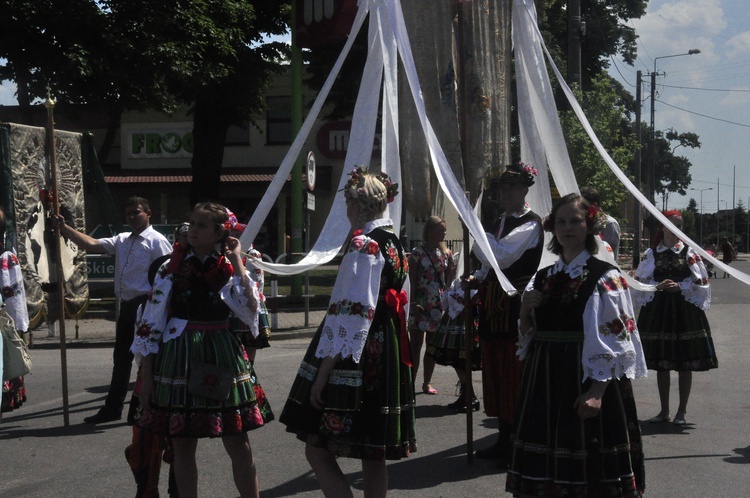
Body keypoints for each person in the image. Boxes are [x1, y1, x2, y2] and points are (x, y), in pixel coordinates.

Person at [279, 166, 414, 498]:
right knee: (373, 453)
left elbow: (351, 313)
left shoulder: (365, 244)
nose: (345, 209)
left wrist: (324, 373)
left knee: (318, 449)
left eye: (348, 202)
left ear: (359, 203)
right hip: (388, 344)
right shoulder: (395, 242)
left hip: (361, 350)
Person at [507, 193, 646, 497]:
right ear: (553, 228)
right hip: (544, 379)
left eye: (575, 220)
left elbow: (619, 338)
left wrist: (597, 392)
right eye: (561, 221)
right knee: (545, 468)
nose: (567, 227)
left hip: (583, 375)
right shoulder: (543, 277)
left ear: (589, 226)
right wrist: (524, 312)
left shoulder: (605, 276)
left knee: (587, 467)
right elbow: (528, 336)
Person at [132, 202, 273, 498]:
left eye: (201, 226)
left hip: (220, 349)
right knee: (182, 442)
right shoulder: (171, 265)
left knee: (237, 439)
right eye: (191, 223)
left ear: (220, 231)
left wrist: (236, 262)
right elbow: (152, 319)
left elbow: (250, 312)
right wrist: (145, 373)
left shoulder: (236, 263)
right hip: (178, 352)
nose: (192, 230)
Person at [55, 196, 172, 424]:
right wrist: (64, 228)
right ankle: (113, 407)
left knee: (145, 358)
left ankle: (143, 407)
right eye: (128, 213)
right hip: (127, 306)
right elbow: (92, 244)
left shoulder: (157, 241)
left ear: (148, 214)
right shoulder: (123, 240)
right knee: (121, 358)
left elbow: (166, 275)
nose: (131, 217)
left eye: (136, 212)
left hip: (147, 306)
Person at [461, 162, 543, 463]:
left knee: (514, 373)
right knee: (495, 371)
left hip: (514, 308)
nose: (505, 192)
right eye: (502, 188)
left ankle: (519, 442)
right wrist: (476, 279)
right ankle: (505, 437)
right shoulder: (497, 223)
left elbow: (502, 257)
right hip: (493, 307)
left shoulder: (531, 224)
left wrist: (474, 231)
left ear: (525, 190)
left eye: (512, 187)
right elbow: (487, 264)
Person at [632, 210, 717, 426]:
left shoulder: (689, 252)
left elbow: (702, 282)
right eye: (672, 225)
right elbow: (640, 282)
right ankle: (664, 410)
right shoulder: (652, 253)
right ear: (662, 227)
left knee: (684, 361)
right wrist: (657, 286)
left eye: (679, 225)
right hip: (660, 309)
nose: (676, 229)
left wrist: (680, 286)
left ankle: (682, 411)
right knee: (662, 362)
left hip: (684, 309)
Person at [408, 215, 455, 396]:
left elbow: (448, 282)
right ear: (430, 230)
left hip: (437, 305)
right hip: (420, 303)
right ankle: (409, 382)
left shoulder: (447, 253)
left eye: (444, 230)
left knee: (432, 346)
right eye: (440, 229)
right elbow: (411, 279)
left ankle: (427, 382)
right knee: (416, 345)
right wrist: (412, 302)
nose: (444, 233)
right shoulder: (417, 253)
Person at [425, 279, 481, 412]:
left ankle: (469, 396)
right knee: (455, 358)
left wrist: (463, 300)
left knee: (460, 358)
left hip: (465, 318)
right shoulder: (463, 272)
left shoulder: (479, 272)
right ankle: (467, 394)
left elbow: (476, 295)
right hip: (454, 317)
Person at [1, 207, 31, 413]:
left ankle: (8, 394)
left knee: (7, 357)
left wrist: (16, 323)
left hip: (5, 316)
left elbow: (11, 294)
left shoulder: (6, 257)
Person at [580, 186, 621, 260]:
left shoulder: (610, 224)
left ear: (594, 205)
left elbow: (608, 253)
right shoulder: (583, 223)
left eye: (584, 207)